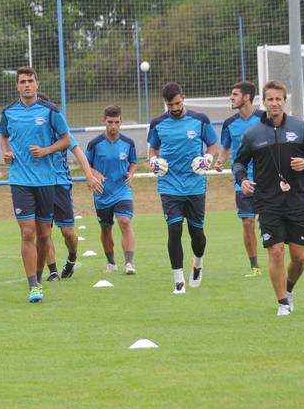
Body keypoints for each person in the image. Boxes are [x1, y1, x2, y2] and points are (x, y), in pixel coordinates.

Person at [232, 80, 304, 316]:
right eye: (270, 99)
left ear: (284, 101)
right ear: (263, 102)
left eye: (278, 99)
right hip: (268, 202)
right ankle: (282, 302)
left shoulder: (299, 128)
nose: (274, 103)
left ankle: (289, 288)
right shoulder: (253, 133)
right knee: (276, 252)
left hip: (296, 201)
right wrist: (242, 180)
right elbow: (239, 162)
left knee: (300, 258)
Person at [0, 68, 71, 304]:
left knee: (44, 235)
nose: (26, 85)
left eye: (30, 81)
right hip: (20, 180)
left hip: (46, 181)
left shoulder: (50, 111)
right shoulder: (9, 112)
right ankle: (33, 285)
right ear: (17, 86)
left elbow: (66, 139)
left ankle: (38, 276)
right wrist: (6, 153)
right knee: (27, 232)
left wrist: (47, 150)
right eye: (22, 82)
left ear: (37, 84)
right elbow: (4, 136)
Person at [147, 82, 222, 294]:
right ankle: (178, 281)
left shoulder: (200, 120)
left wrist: (207, 158)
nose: (175, 108)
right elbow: (152, 149)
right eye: (170, 105)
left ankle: (197, 263)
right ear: (166, 103)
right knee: (174, 229)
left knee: (197, 233)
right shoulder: (158, 123)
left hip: (195, 184)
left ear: (184, 98)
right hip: (169, 185)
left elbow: (213, 146)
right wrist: (154, 162)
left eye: (178, 103)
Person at [39, 94, 104, 282]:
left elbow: (77, 151)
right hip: (39, 184)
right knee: (44, 232)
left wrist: (89, 175)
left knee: (67, 232)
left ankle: (72, 257)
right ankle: (52, 271)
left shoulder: (61, 130)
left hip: (60, 185)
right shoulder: (32, 130)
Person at [84, 106, 139, 274]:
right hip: (102, 193)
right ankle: (111, 263)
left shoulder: (128, 143)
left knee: (125, 221)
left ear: (121, 121)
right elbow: (86, 165)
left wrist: (131, 173)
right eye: (110, 122)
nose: (113, 126)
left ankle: (129, 263)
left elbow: (133, 162)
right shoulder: (94, 144)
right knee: (106, 228)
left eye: (116, 122)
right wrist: (94, 173)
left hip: (122, 190)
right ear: (104, 121)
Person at [220, 80, 263, 277]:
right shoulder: (229, 124)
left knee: (272, 221)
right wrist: (220, 160)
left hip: (267, 178)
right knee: (247, 222)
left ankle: (277, 256)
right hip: (243, 179)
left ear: (247, 97)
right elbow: (227, 147)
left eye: (235, 94)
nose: (231, 97)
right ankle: (254, 266)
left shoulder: (265, 119)